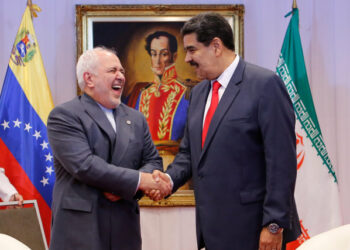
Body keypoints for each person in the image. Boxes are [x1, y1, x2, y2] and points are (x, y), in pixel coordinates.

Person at [152, 12, 301, 250]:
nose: (187, 59)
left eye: (192, 50)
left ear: (216, 46)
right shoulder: (198, 94)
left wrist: (273, 224)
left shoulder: (264, 84)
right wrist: (168, 179)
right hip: (212, 230)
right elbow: (189, 154)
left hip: (255, 230)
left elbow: (281, 161)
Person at [47, 47, 171, 250]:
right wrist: (141, 180)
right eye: (113, 71)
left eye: (122, 71)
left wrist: (129, 188)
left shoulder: (136, 118)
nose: (121, 76)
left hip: (125, 230)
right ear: (89, 79)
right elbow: (85, 165)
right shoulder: (64, 116)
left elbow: (153, 161)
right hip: (80, 231)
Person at [127, 31, 190, 143]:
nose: (157, 61)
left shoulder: (188, 92)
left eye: (164, 54)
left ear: (174, 56)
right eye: (154, 54)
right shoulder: (139, 93)